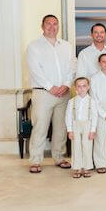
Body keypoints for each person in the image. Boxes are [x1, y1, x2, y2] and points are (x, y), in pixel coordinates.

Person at [26, 14, 76, 173]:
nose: (52, 27)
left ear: (58, 27)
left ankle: (59, 157)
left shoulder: (66, 46)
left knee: (61, 127)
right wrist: (51, 87)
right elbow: (35, 70)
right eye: (48, 24)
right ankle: (35, 160)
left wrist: (66, 85)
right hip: (43, 94)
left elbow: (72, 67)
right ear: (42, 26)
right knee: (40, 127)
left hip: (64, 93)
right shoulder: (34, 46)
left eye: (55, 24)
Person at [65, 77, 98, 178]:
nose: (81, 88)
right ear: (75, 88)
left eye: (84, 86)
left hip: (87, 125)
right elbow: (68, 116)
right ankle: (78, 167)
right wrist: (69, 130)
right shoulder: (72, 101)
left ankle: (87, 167)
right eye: (79, 86)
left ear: (88, 87)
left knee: (87, 146)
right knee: (76, 146)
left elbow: (94, 116)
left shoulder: (91, 101)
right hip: (75, 125)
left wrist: (93, 130)